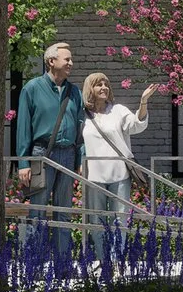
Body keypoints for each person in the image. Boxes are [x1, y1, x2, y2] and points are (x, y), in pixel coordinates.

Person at [12, 43, 84, 254]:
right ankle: (35, 262)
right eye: (67, 59)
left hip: (68, 155)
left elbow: (80, 127)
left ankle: (62, 263)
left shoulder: (74, 92)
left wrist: (80, 160)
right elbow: (23, 128)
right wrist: (23, 163)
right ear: (51, 61)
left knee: (64, 212)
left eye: (71, 59)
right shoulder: (32, 88)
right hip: (41, 155)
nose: (71, 63)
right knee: (38, 211)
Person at [81, 74, 160, 221]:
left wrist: (143, 101)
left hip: (119, 174)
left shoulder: (118, 110)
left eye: (106, 84)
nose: (104, 87)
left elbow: (136, 124)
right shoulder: (82, 115)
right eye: (99, 84)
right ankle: (99, 246)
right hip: (93, 175)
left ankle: (119, 246)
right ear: (89, 88)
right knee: (96, 222)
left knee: (120, 221)